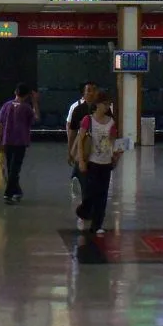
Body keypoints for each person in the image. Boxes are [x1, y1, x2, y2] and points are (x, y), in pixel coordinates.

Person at [74, 93, 121, 234]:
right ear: (97, 105)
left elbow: (113, 141)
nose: (106, 107)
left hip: (105, 163)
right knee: (90, 192)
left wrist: (116, 155)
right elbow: (80, 142)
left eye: (108, 105)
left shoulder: (111, 122)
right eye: (104, 104)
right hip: (92, 162)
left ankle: (97, 224)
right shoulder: (88, 120)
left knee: (102, 194)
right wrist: (81, 160)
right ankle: (84, 210)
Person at [0, 83, 40, 205]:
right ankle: (8, 193)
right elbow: (36, 118)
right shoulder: (26, 108)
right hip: (20, 142)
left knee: (11, 167)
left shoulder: (6, 106)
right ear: (27, 96)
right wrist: (35, 102)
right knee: (15, 169)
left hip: (7, 141)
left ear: (15, 92)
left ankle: (17, 191)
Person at [66, 81, 98, 201]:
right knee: (82, 165)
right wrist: (70, 150)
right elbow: (72, 130)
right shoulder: (77, 108)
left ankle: (80, 180)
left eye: (94, 90)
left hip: (97, 146)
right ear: (83, 93)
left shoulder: (100, 108)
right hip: (83, 144)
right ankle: (80, 184)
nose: (92, 93)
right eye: (88, 90)